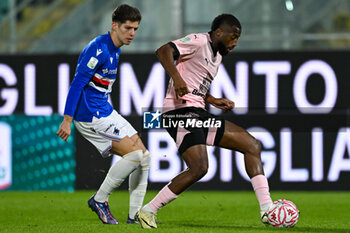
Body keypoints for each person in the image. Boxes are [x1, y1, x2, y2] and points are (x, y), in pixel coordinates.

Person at [135, 14, 273, 229]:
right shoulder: (198, 41)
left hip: (197, 112)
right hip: (179, 112)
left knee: (251, 145)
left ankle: (267, 210)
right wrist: (177, 79)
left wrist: (212, 99)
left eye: (238, 38)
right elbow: (163, 51)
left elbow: (195, 86)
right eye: (232, 37)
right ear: (219, 33)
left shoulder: (217, 56)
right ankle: (148, 211)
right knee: (199, 167)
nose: (235, 42)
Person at [56, 4, 150, 225]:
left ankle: (134, 216)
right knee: (134, 156)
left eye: (136, 28)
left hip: (105, 110)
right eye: (128, 28)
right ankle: (99, 200)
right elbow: (76, 84)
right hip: (90, 116)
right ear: (114, 26)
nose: (132, 33)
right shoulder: (98, 49)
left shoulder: (115, 48)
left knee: (144, 157)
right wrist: (67, 120)